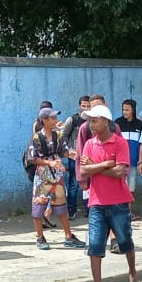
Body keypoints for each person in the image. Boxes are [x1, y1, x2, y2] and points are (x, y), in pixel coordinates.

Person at [78, 104, 140, 282]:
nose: (91, 124)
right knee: (95, 245)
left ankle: (132, 273)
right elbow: (83, 171)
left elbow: (120, 172)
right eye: (89, 121)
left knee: (124, 240)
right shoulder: (89, 144)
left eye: (94, 121)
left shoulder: (119, 143)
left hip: (119, 201)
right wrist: (105, 164)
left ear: (106, 122)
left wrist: (95, 168)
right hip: (96, 201)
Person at [27, 107, 83, 250]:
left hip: (57, 175)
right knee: (39, 205)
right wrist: (49, 162)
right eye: (52, 118)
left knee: (61, 206)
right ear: (44, 120)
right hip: (42, 176)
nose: (55, 120)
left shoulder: (58, 136)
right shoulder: (36, 137)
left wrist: (71, 154)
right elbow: (32, 158)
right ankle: (40, 237)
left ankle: (68, 236)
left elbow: (63, 151)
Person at [60, 95, 92, 217]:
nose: (86, 108)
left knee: (90, 183)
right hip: (75, 157)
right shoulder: (73, 120)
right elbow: (64, 136)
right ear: (79, 106)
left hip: (90, 157)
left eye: (88, 106)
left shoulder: (93, 120)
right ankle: (71, 210)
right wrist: (69, 152)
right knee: (74, 184)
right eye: (83, 106)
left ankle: (89, 210)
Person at [116, 99, 142, 207]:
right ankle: (121, 210)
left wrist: (140, 161)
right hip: (121, 162)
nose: (124, 112)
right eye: (123, 110)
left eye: (127, 110)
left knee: (131, 187)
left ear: (133, 110)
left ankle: (129, 211)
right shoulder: (117, 123)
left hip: (133, 161)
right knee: (121, 185)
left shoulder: (139, 124)